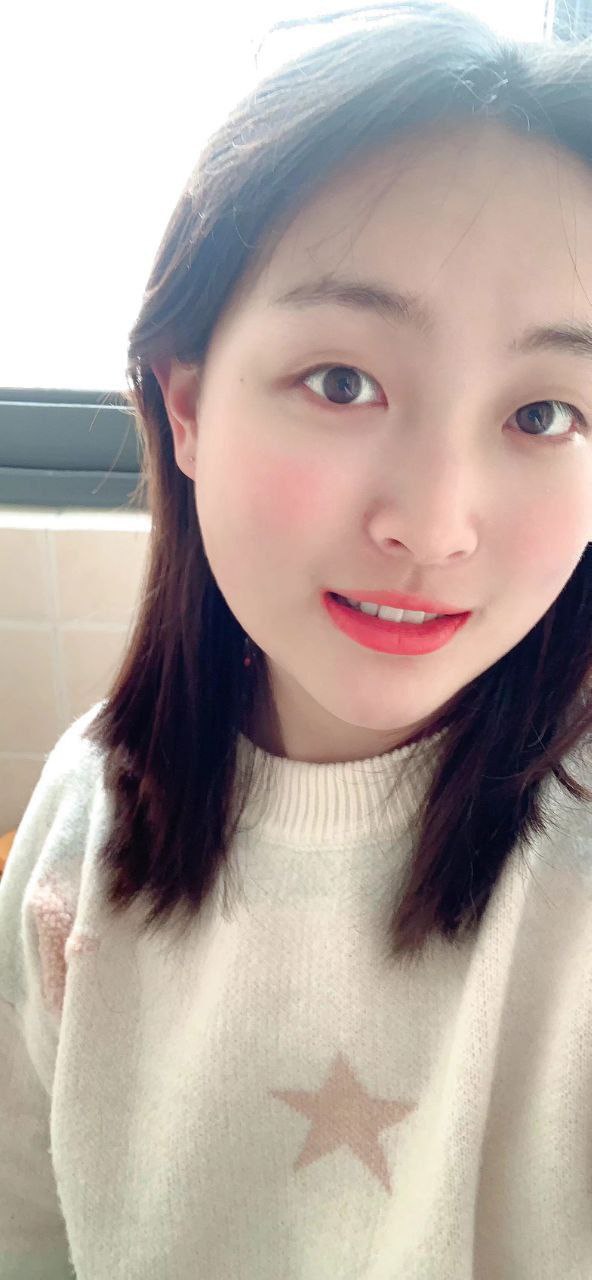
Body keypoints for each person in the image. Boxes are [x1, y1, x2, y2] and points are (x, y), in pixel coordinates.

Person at [2, 2, 592, 1276]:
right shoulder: (82, 812)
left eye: (544, 412)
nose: (433, 524)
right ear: (188, 404)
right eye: (342, 382)